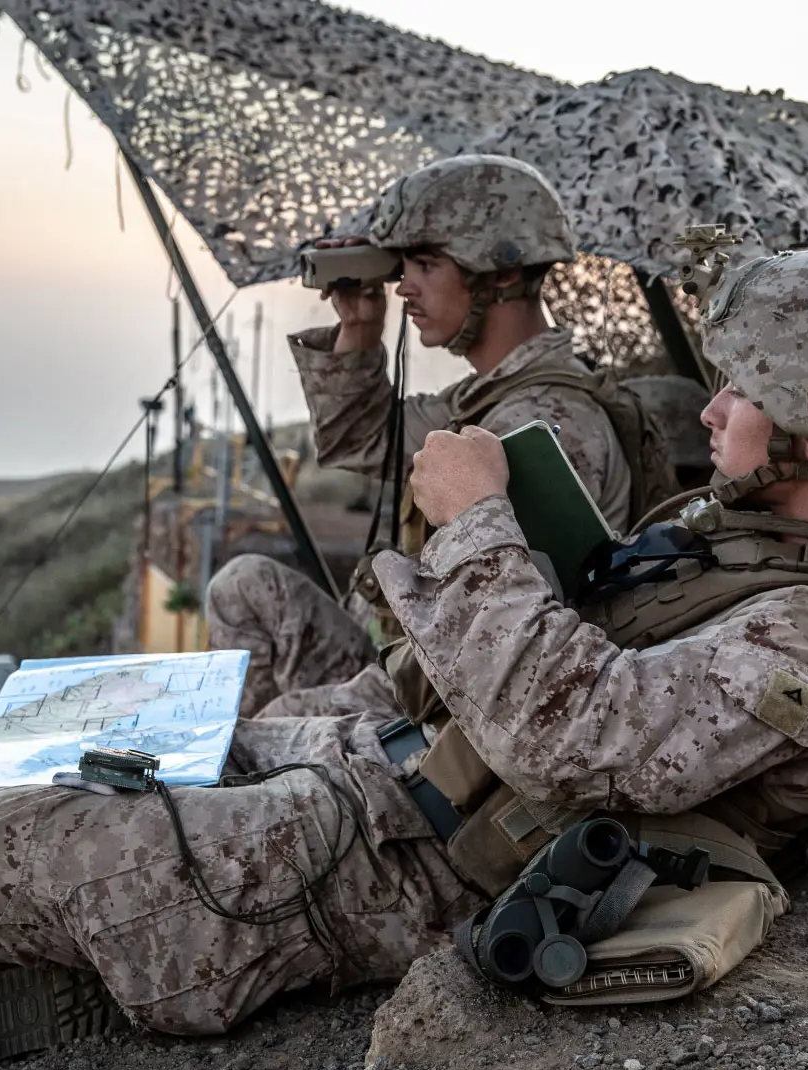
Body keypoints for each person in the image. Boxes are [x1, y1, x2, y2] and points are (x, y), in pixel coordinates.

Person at [0, 248, 808, 1070]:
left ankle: (120, 979)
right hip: (402, 759)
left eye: (750, 387)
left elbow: (572, 742)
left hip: (415, 859)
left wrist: (479, 524)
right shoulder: (745, 530)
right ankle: (147, 901)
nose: (714, 400)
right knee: (98, 725)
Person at [206, 153, 649, 720]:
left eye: (426, 264)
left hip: (454, 698)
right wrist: (361, 328)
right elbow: (362, 438)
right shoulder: (485, 399)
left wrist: (297, 718)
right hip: (419, 656)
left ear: (504, 273)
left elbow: (491, 649)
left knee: (265, 727)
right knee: (243, 584)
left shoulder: (542, 421)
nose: (404, 287)